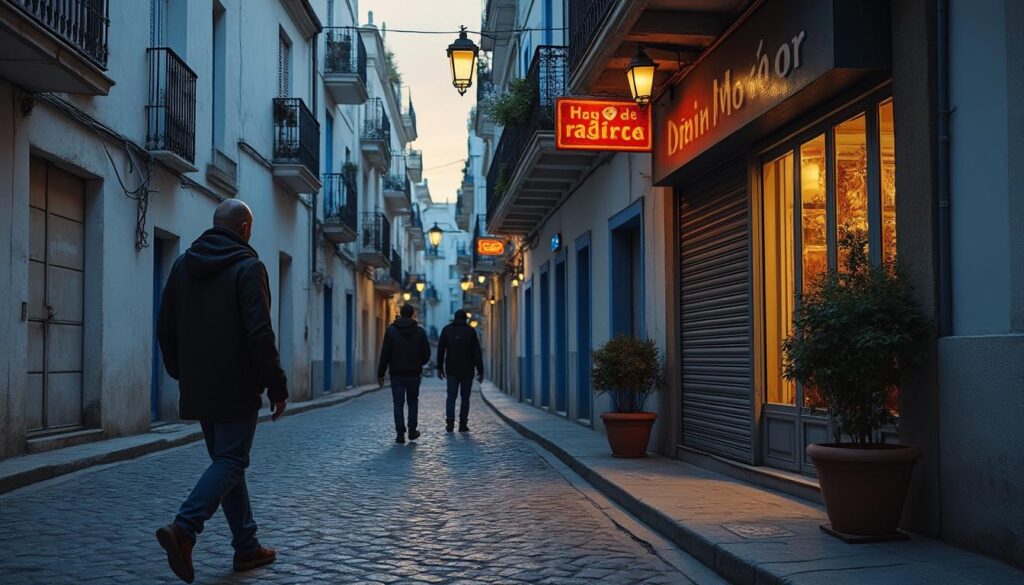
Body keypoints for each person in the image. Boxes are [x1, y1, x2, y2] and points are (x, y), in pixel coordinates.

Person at [155, 200, 288, 584]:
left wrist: (183, 373)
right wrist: (277, 385)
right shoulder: (249, 267)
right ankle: (184, 528)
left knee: (227, 464)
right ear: (245, 228)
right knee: (231, 462)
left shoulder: (183, 264)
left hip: (199, 386)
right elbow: (260, 333)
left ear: (216, 225)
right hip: (237, 385)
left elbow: (165, 328)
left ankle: (247, 545)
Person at [377, 304, 431, 444]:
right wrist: (418, 362)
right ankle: (412, 431)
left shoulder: (391, 331)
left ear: (400, 313)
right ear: (412, 314)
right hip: (413, 374)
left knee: (398, 403)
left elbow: (385, 354)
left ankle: (400, 434)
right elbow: (427, 354)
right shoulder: (419, 332)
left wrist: (381, 373)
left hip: (396, 374)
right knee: (413, 402)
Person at [437, 309, 484, 433]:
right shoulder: (470, 331)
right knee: (465, 398)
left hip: (451, 369)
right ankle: (463, 424)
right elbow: (477, 353)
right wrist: (480, 370)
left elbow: (441, 350)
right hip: (467, 370)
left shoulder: (447, 330)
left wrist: (439, 367)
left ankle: (450, 423)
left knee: (451, 397)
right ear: (465, 319)